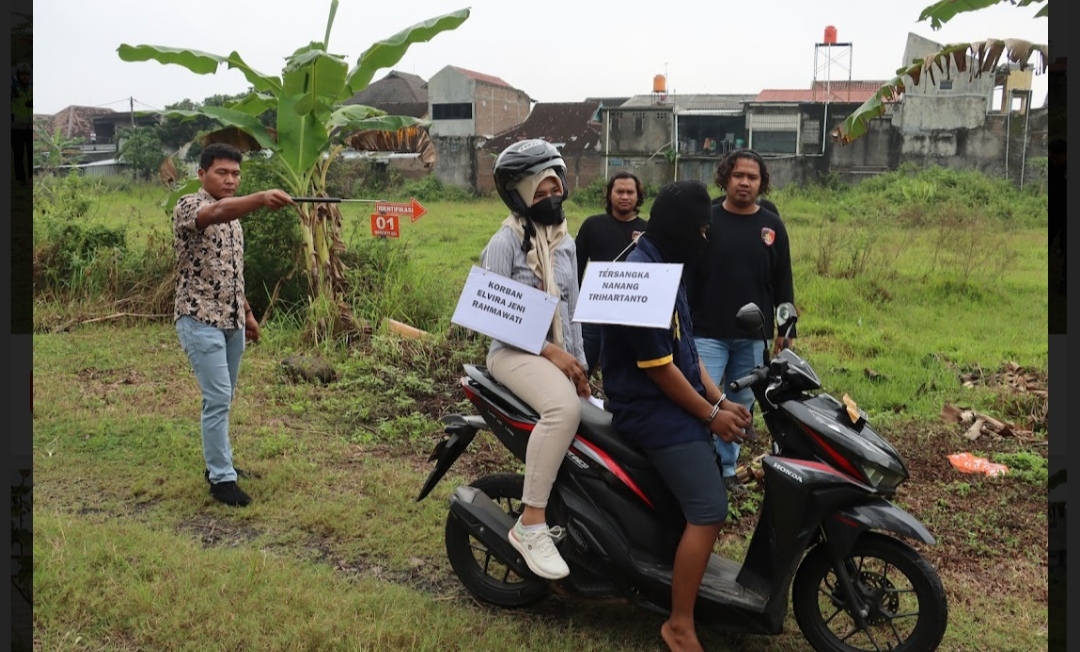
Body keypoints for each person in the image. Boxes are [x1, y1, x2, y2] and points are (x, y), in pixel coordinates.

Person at [601, 179, 752, 652]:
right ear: (682, 228)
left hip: (673, 398)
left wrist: (720, 400)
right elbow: (659, 370)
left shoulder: (665, 262)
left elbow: (687, 353)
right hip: (648, 409)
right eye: (702, 230)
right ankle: (679, 625)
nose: (705, 239)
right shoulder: (644, 275)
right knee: (709, 511)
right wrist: (710, 416)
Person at [480, 138, 590, 580]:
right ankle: (530, 523)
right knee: (561, 410)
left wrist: (580, 368)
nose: (551, 199)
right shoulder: (505, 240)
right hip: (510, 352)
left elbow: (572, 311)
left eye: (554, 189)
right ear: (520, 197)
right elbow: (488, 312)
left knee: (591, 415)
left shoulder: (565, 242)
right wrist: (550, 352)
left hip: (557, 356)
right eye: (539, 194)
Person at [173, 143, 295, 507]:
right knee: (218, 398)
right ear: (202, 174)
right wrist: (260, 198)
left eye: (236, 174)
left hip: (231, 321)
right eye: (222, 172)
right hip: (198, 318)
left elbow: (231, 274)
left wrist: (248, 314)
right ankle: (221, 479)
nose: (230, 180)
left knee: (223, 399)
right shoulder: (189, 207)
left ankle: (220, 465)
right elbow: (218, 210)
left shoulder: (235, 223)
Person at [691, 149, 795, 495]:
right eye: (738, 176)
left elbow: (784, 281)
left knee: (742, 405)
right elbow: (688, 274)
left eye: (752, 177)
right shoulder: (706, 221)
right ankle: (696, 469)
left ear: (762, 183)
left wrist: (787, 329)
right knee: (703, 399)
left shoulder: (772, 226)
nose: (745, 182)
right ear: (725, 177)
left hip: (754, 335)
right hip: (706, 330)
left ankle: (726, 470)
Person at [574, 171, 648, 375]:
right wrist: (577, 304)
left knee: (627, 372)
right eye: (620, 191)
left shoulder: (646, 231)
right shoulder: (592, 225)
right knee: (582, 367)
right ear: (609, 194)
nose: (625, 196)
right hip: (593, 313)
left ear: (638, 196)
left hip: (631, 314)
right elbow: (576, 266)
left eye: (630, 192)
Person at [1048, 139, 1066, 295]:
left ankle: (1064, 281)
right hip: (1052, 211)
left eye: (1057, 159)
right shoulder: (1049, 166)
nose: (1054, 162)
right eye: (1052, 158)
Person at [11, 62, 33, 187]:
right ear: (18, 75)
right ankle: (20, 180)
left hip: (30, 128)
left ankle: (31, 177)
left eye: (27, 74)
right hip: (16, 128)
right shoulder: (13, 90)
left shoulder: (32, 89)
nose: (25, 76)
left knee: (31, 154)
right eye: (22, 74)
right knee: (18, 155)